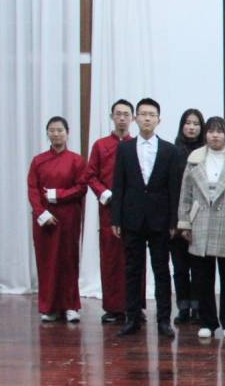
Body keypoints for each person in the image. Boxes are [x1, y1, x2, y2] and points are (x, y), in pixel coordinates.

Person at [112, 98, 185, 338]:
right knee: (132, 270)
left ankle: (163, 320)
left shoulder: (170, 150)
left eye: (151, 115)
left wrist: (174, 221)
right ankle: (132, 318)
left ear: (158, 120)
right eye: (143, 114)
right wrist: (116, 219)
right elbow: (118, 185)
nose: (146, 118)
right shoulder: (124, 149)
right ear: (135, 118)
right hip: (132, 218)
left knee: (161, 270)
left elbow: (174, 188)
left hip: (160, 220)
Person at [176, 116, 225, 339]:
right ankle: (207, 322)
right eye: (211, 131)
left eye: (219, 131)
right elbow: (185, 195)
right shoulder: (195, 160)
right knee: (202, 277)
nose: (215, 135)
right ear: (206, 134)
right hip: (200, 223)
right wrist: (185, 222)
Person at [28, 116, 88, 323]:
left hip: (69, 217)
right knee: (47, 262)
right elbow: (33, 189)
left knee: (68, 260)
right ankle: (49, 307)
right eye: (52, 130)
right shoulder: (38, 161)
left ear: (67, 133)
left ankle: (71, 306)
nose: (56, 134)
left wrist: (58, 194)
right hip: (44, 220)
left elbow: (82, 187)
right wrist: (41, 213)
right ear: (47, 134)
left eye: (60, 130)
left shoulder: (76, 160)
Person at [83, 99, 134, 324]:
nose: (122, 118)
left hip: (132, 208)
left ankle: (134, 306)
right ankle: (113, 307)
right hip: (109, 208)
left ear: (132, 118)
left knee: (133, 257)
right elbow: (90, 175)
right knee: (111, 257)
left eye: (126, 114)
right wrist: (105, 194)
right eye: (118, 114)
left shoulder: (136, 144)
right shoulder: (100, 145)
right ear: (112, 117)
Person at [170, 108, 205, 325]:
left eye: (196, 124)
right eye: (188, 123)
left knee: (199, 267)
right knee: (180, 267)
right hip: (178, 219)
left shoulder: (207, 153)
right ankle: (183, 307)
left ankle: (199, 306)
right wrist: (174, 222)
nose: (191, 127)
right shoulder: (172, 152)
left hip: (202, 219)